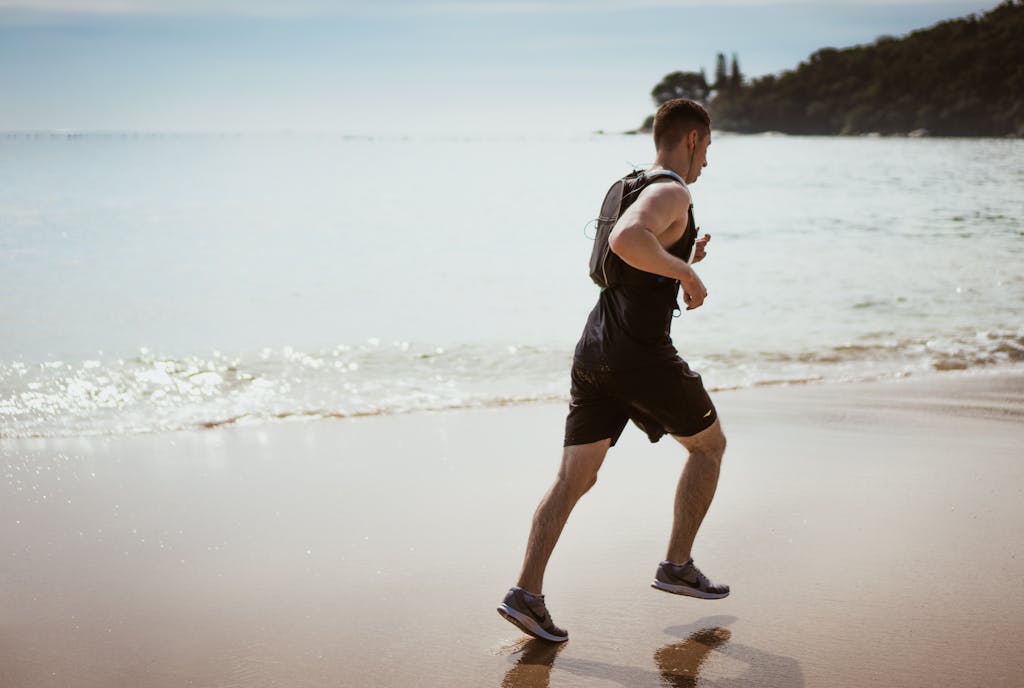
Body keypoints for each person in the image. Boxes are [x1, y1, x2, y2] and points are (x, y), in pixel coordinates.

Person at [497, 98, 729, 643]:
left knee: (574, 479)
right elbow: (628, 242)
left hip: (594, 351)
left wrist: (676, 259)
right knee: (709, 447)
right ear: (692, 140)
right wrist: (687, 277)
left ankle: (525, 593)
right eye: (708, 149)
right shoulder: (673, 190)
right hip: (639, 356)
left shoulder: (626, 186)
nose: (706, 164)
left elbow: (610, 265)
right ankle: (677, 565)